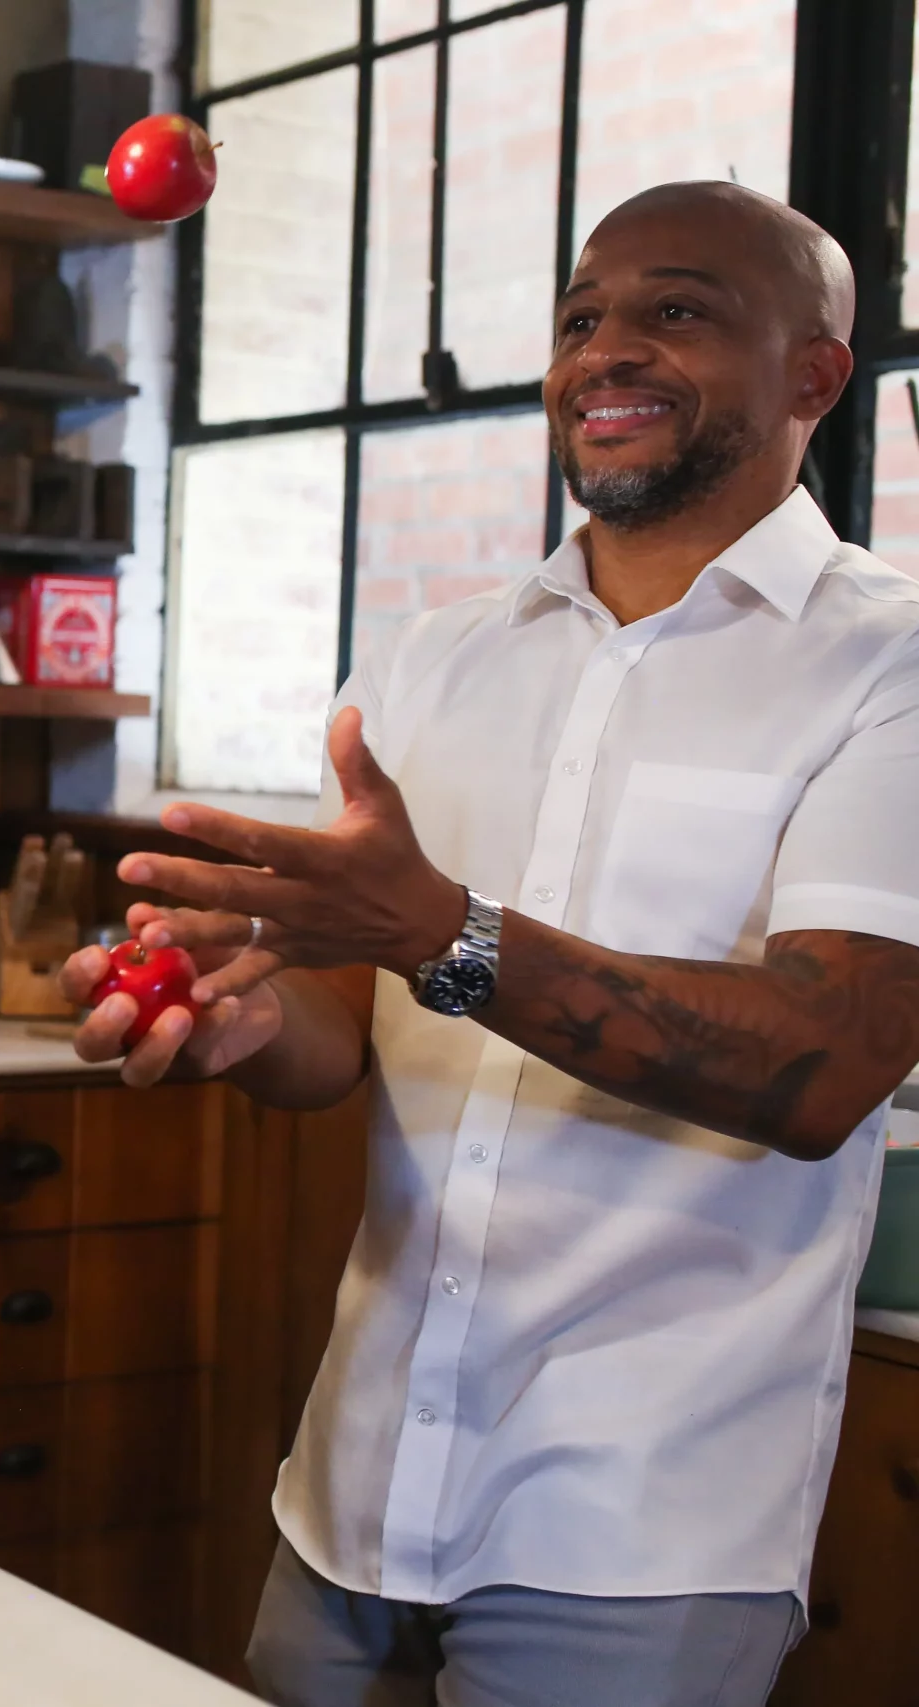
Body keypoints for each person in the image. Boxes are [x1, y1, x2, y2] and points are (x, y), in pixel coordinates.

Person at [68, 182, 919, 1705]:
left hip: (646, 1527)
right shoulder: (432, 656)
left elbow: (825, 1059)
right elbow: (343, 1025)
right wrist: (242, 1022)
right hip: (354, 1484)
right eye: (582, 316)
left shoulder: (889, 662)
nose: (608, 349)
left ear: (814, 375)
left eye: (679, 310)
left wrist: (434, 926)